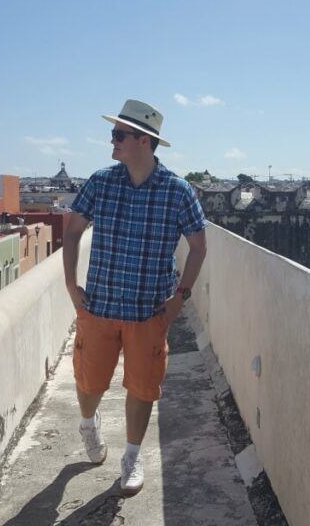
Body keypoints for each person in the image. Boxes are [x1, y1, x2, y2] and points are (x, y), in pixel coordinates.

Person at [64, 99, 207, 496]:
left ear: (144, 142)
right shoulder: (101, 182)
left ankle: (131, 456)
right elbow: (72, 229)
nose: (112, 141)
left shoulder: (177, 192)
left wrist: (179, 300)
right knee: (89, 382)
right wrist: (70, 285)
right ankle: (88, 424)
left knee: (143, 388)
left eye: (119, 135)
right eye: (114, 133)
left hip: (149, 313)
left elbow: (198, 246)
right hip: (100, 307)